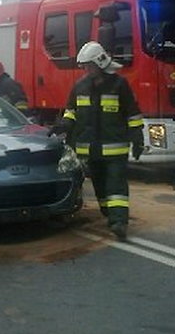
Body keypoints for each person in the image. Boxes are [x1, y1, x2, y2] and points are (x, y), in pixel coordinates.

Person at [51, 41, 144, 240]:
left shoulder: (119, 85)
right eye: (83, 66)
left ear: (99, 63)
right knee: (100, 186)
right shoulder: (80, 86)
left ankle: (119, 222)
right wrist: (64, 124)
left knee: (116, 184)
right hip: (90, 149)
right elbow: (71, 111)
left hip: (115, 148)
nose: (85, 69)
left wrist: (137, 138)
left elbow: (133, 114)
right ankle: (109, 214)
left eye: (88, 65)